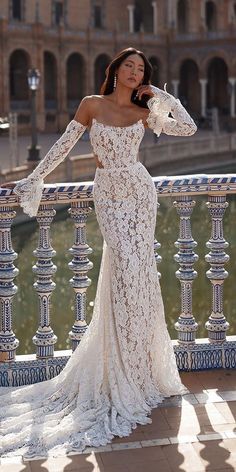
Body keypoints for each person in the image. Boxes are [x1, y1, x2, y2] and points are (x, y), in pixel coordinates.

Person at [0, 47, 197, 459]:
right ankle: (117, 371)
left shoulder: (147, 112)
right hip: (108, 193)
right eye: (128, 66)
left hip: (141, 193)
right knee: (123, 270)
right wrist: (34, 178)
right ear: (115, 70)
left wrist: (163, 95)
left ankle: (140, 371)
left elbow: (189, 129)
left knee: (141, 276)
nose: (133, 72)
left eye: (141, 69)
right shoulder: (92, 104)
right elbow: (65, 144)